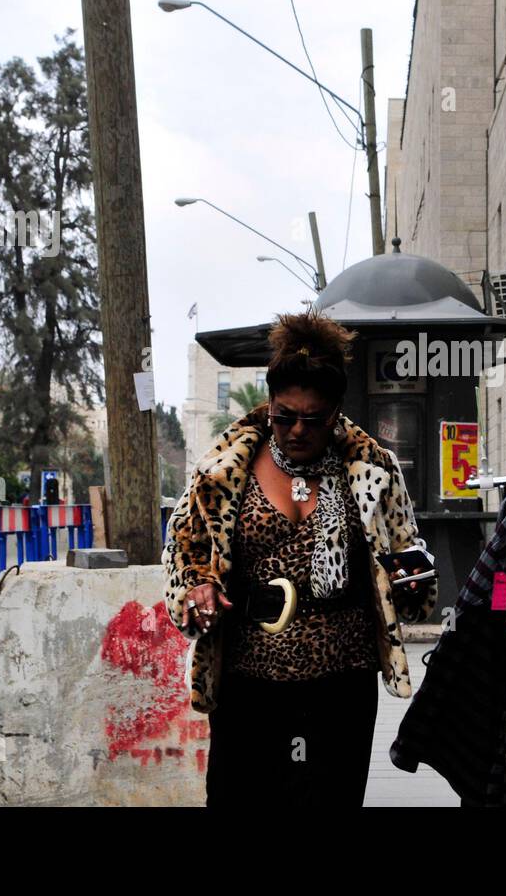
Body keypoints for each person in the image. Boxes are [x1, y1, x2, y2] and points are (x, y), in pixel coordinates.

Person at [162, 310, 438, 806]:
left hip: (341, 682)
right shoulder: (222, 471)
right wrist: (197, 588)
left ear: (335, 411)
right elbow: (183, 553)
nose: (295, 430)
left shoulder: (372, 469)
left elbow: (406, 551)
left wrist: (412, 578)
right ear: (269, 405)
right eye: (284, 415)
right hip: (249, 681)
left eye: (312, 419)